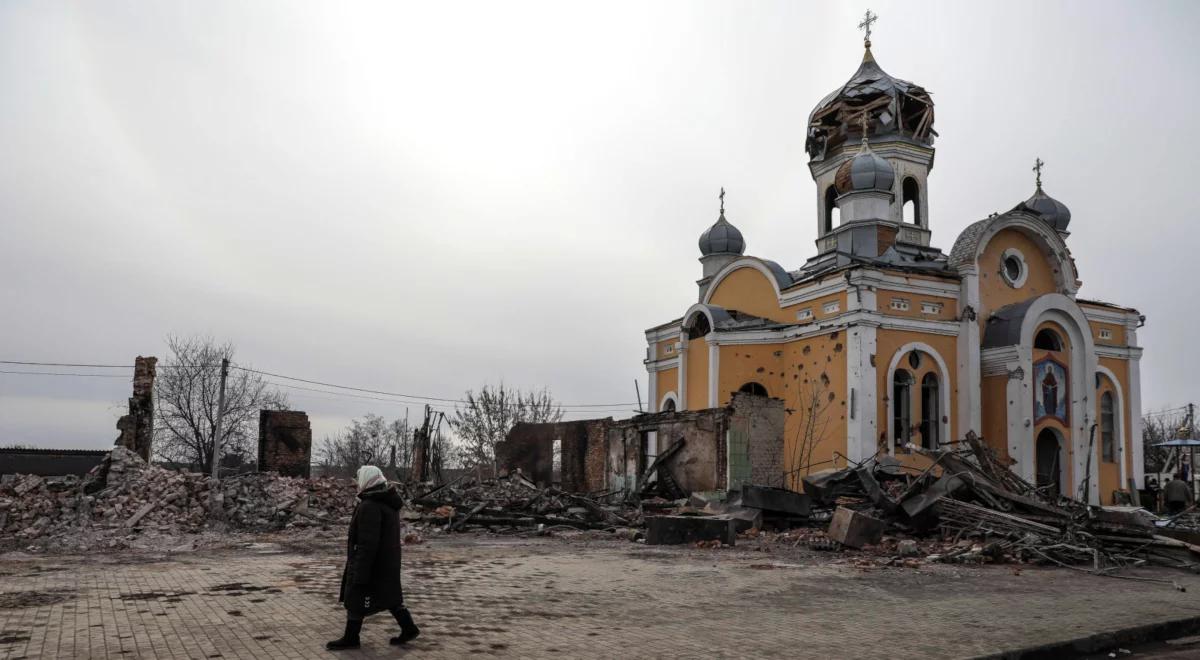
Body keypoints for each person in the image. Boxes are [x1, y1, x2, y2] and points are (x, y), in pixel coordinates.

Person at [326, 465, 420, 650]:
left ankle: (351, 638)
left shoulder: (370, 506)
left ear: (366, 481)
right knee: (390, 597)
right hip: (387, 561)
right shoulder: (386, 502)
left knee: (356, 598)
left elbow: (367, 543)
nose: (356, 484)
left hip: (373, 563)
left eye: (358, 479)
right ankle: (409, 628)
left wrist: (360, 571)